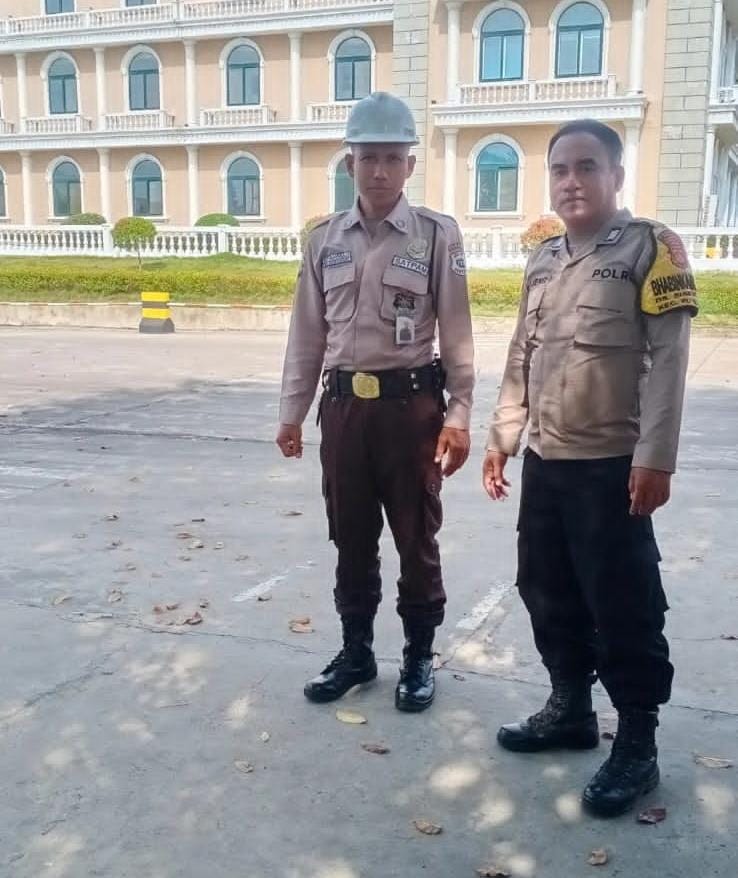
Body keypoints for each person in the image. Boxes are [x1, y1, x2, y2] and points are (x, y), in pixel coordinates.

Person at [483, 119, 697, 817]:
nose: (571, 181)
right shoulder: (543, 259)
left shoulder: (650, 248)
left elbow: (669, 360)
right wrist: (503, 436)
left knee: (624, 603)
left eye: (586, 166)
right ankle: (571, 708)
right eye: (560, 169)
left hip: (611, 467)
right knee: (545, 588)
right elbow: (522, 353)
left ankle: (637, 743)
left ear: (616, 176)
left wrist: (655, 458)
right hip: (546, 461)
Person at [276, 92, 475, 712]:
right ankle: (356, 651)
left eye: (393, 158)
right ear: (350, 163)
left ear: (410, 164)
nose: (381, 170)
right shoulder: (323, 240)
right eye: (369, 158)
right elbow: (307, 335)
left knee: (416, 538)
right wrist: (291, 411)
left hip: (411, 412)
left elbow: (457, 333)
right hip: (344, 412)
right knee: (351, 537)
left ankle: (418, 656)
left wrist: (460, 414)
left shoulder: (436, 235)